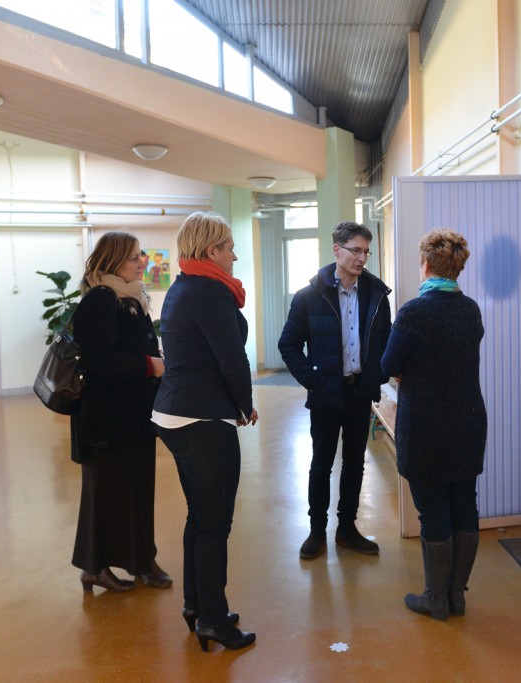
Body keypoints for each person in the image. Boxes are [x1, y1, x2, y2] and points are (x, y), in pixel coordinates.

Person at [152, 212, 258, 652]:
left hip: (175, 413)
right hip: (202, 418)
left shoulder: (183, 286)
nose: (234, 256)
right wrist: (244, 406)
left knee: (200, 517)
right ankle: (213, 619)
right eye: (230, 247)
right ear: (212, 250)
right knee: (215, 524)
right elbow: (231, 358)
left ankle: (197, 605)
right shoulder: (211, 291)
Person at [380, 228, 487, 621]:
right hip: (468, 422)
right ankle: (456, 597)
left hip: (426, 425)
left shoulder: (414, 312)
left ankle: (435, 599)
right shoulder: (470, 310)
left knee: (433, 514)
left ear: (425, 264)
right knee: (464, 508)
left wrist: (407, 370)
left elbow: (389, 365)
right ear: (458, 266)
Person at [278, 221, 392, 560]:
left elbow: (385, 341)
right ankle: (317, 531)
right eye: (356, 250)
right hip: (326, 393)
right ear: (337, 250)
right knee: (321, 464)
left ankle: (347, 529)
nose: (362, 258)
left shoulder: (376, 294)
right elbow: (288, 345)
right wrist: (313, 380)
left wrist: (377, 377)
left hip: (360, 392)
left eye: (366, 252)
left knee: (355, 464)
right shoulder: (310, 295)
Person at [70, 231, 171, 593]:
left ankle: (138, 561)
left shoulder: (129, 298)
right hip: (108, 420)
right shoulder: (100, 300)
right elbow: (98, 359)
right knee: (109, 495)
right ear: (113, 262)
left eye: (141, 255)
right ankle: (98, 567)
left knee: (136, 491)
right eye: (133, 257)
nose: (142, 262)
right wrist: (148, 366)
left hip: (133, 414)